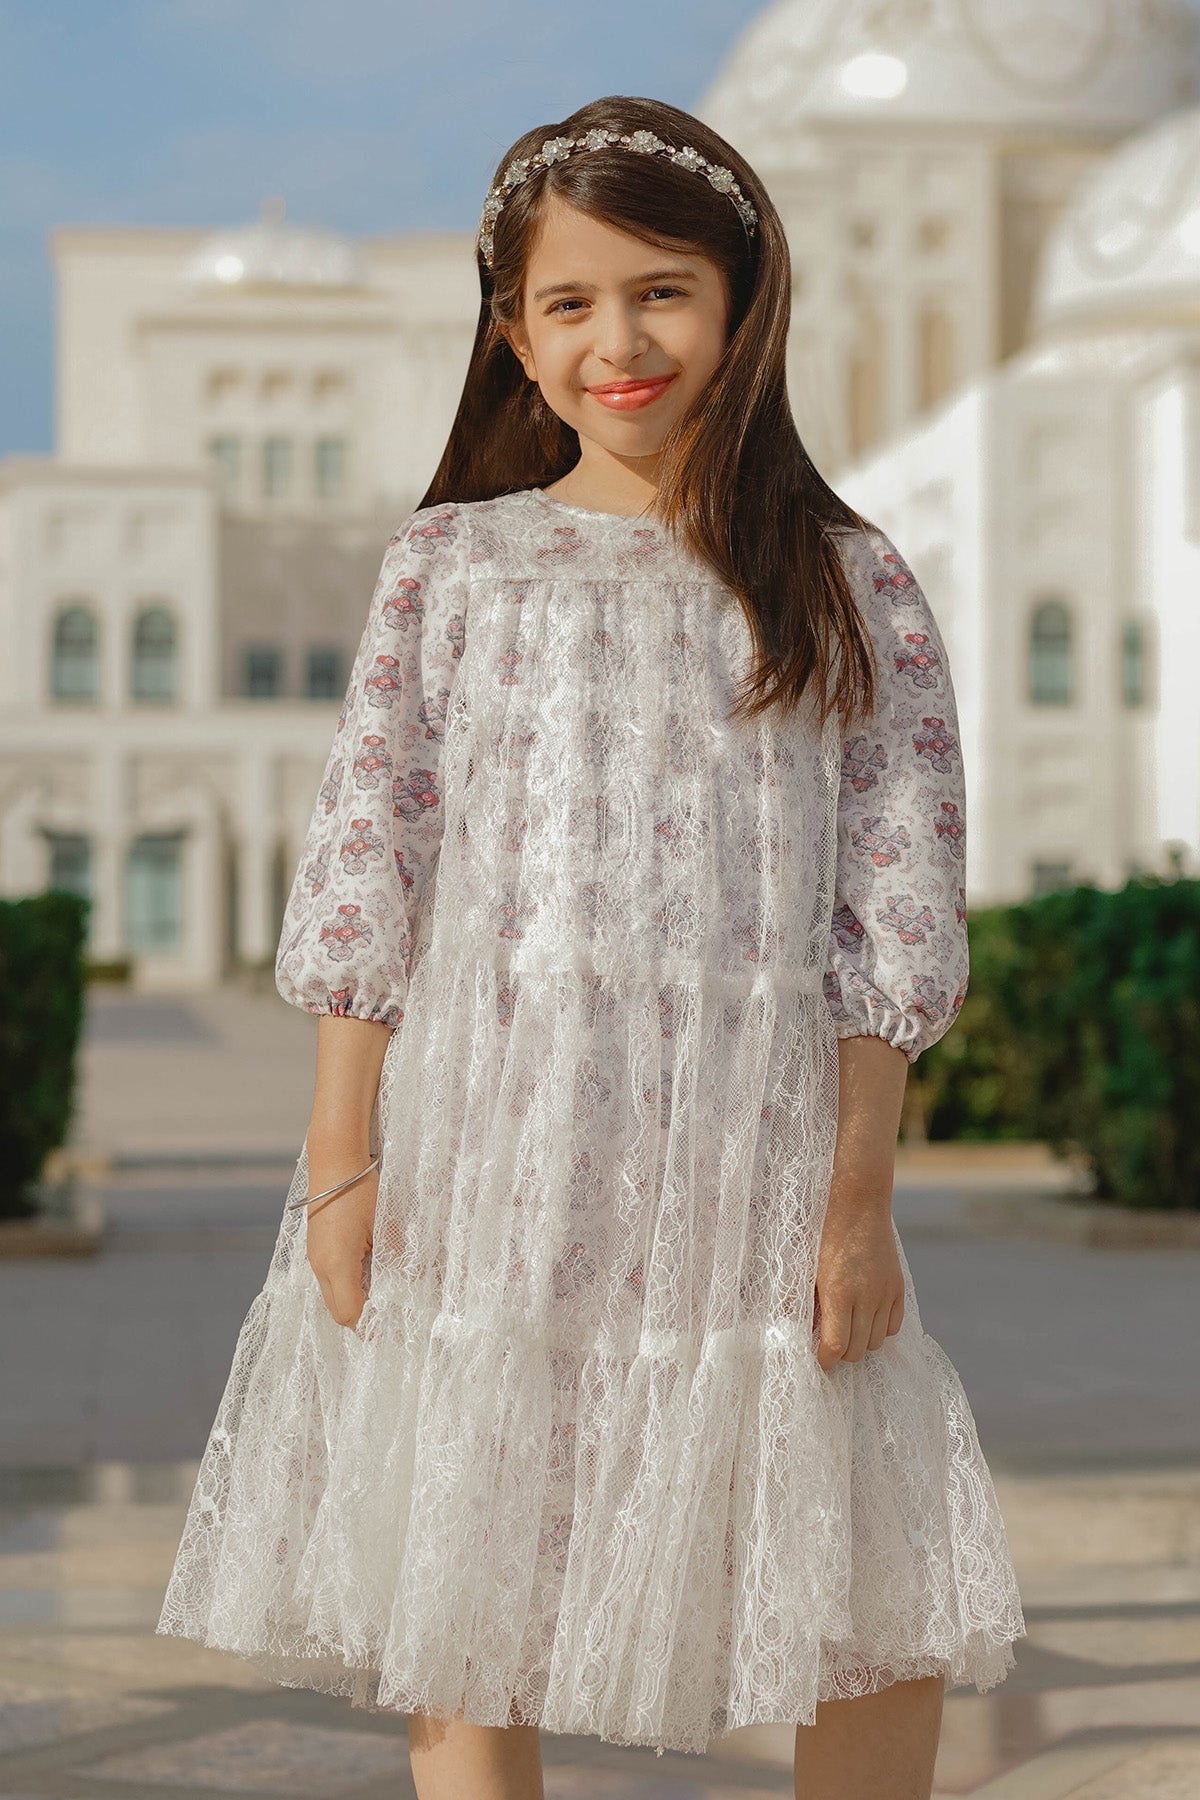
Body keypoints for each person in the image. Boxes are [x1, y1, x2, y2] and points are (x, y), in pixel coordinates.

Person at [157, 93, 1026, 1800]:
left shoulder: (848, 585)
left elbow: (897, 909)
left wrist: (859, 1197)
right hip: (488, 1150)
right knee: (464, 1581)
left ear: (742, 301)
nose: (617, 343)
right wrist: (342, 1160)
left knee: (875, 1602)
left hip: (751, 1163)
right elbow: (371, 859)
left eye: (662, 292)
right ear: (513, 331)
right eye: (569, 303)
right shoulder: (453, 567)